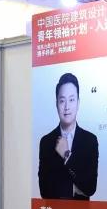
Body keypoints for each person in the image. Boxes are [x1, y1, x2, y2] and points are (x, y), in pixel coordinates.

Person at [38, 72, 99, 200]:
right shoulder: (46, 142)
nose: (66, 107)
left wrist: (67, 155)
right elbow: (44, 191)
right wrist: (74, 189)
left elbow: (90, 187)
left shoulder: (90, 141)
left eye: (71, 100)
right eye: (62, 101)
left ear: (78, 102)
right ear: (56, 104)